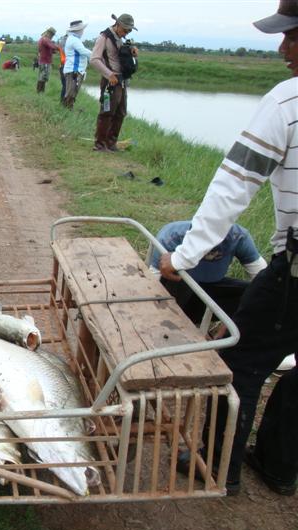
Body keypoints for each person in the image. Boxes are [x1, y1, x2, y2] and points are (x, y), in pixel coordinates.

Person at [159, 0, 298, 496]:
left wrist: (185, 255)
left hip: (295, 272)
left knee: (241, 362)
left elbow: (234, 184)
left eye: (292, 36)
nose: (283, 48)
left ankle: (218, 467)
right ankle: (281, 466)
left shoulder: (287, 100)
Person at [149, 221, 266, 324]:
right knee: (183, 282)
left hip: (208, 286)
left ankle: (225, 331)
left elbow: (263, 279)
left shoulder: (238, 237)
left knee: (252, 291)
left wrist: (235, 318)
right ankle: (170, 321)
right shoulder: (172, 236)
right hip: (175, 289)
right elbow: (151, 281)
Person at [89, 13, 138, 151]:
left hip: (121, 81)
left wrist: (132, 53)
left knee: (121, 112)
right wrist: (108, 74)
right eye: (125, 30)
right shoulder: (103, 37)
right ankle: (100, 144)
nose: (126, 33)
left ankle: (111, 143)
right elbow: (94, 59)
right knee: (107, 112)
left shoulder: (120, 38)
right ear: (117, 25)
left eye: (129, 31)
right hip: (110, 81)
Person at [62, 20, 91, 109]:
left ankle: (67, 111)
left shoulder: (73, 39)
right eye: (82, 29)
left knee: (72, 92)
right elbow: (83, 51)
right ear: (78, 30)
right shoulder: (74, 40)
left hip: (74, 70)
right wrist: (96, 55)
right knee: (71, 93)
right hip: (74, 70)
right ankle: (66, 112)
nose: (83, 31)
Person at [36, 27, 58, 93]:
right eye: (53, 35)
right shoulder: (46, 39)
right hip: (45, 61)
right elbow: (53, 46)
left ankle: (40, 92)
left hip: (42, 60)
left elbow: (48, 48)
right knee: (44, 77)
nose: (53, 36)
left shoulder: (42, 39)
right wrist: (58, 47)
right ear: (50, 34)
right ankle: (40, 92)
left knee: (41, 76)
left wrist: (52, 50)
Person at [57, 34, 68, 104]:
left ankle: (62, 102)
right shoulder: (65, 45)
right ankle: (63, 102)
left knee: (65, 86)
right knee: (66, 86)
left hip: (62, 65)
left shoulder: (61, 43)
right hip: (65, 66)